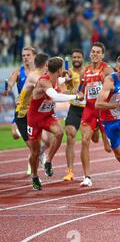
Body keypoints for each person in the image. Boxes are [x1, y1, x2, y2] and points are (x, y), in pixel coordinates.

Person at [27, 57, 84, 190]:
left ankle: (48, 161)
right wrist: (75, 96)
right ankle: (35, 176)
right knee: (35, 152)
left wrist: (66, 79)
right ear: (59, 70)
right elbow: (55, 97)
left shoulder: (56, 79)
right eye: (62, 69)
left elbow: (60, 80)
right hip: (34, 119)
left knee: (59, 133)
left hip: (47, 116)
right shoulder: (44, 82)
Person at [95, 55, 120, 188]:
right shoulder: (110, 80)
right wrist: (119, 105)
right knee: (118, 153)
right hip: (110, 120)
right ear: (116, 68)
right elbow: (98, 104)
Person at [79, 42, 114, 187]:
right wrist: (79, 93)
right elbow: (80, 90)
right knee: (85, 140)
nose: (94, 54)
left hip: (104, 110)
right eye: (93, 51)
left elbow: (114, 87)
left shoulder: (106, 70)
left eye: (98, 52)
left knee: (109, 148)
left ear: (102, 55)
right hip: (89, 110)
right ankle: (87, 177)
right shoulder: (84, 71)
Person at [14, 52, 52, 175]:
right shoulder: (35, 76)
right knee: (33, 149)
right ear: (46, 64)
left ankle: (40, 154)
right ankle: (35, 176)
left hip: (34, 114)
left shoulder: (43, 75)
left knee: (47, 141)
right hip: (22, 115)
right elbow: (43, 84)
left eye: (28, 55)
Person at [3, 46, 36, 140]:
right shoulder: (18, 71)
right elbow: (10, 83)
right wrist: (7, 89)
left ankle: (39, 152)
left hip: (35, 108)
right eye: (23, 55)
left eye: (28, 55)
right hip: (22, 108)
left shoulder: (39, 71)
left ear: (34, 56)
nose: (25, 57)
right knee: (15, 134)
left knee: (37, 137)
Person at [63, 49, 86, 181]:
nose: (76, 59)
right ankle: (70, 170)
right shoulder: (68, 72)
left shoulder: (88, 72)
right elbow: (64, 89)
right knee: (71, 135)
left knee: (89, 138)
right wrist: (67, 81)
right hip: (75, 108)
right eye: (74, 57)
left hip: (88, 109)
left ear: (83, 59)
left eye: (78, 57)